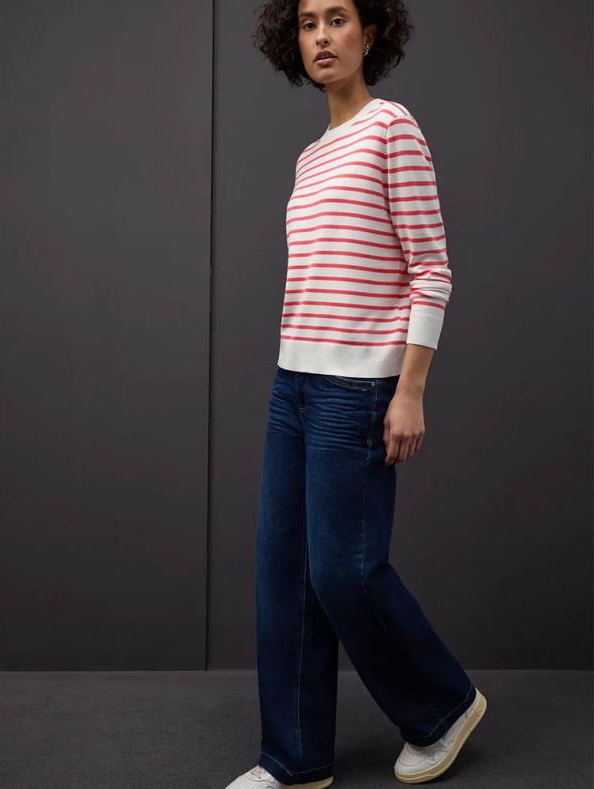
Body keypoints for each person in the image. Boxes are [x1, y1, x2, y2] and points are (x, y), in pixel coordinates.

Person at [225, 1, 487, 786]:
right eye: (308, 23)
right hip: (293, 385)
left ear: (369, 34)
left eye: (337, 19)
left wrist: (409, 390)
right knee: (284, 575)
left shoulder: (391, 128)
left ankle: (443, 706)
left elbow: (430, 268)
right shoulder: (311, 157)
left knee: (344, 571)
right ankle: (294, 757)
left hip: (358, 388)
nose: (321, 37)